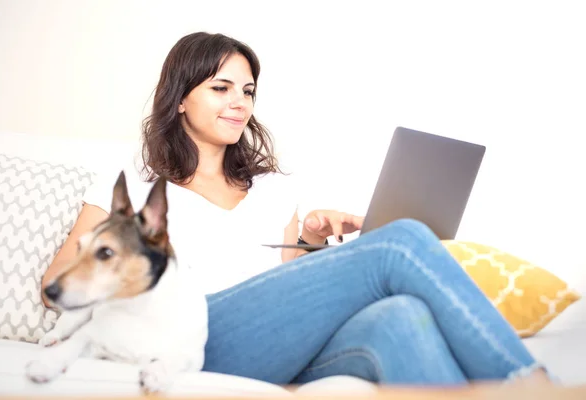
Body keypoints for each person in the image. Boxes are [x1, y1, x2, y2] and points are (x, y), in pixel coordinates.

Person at [42, 31, 553, 387]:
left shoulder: (272, 189)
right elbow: (56, 285)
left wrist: (311, 242)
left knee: (402, 315)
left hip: (268, 346)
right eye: (220, 88)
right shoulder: (137, 182)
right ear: (180, 99)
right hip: (189, 330)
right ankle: (528, 383)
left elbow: (284, 298)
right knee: (401, 241)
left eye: (248, 91)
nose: (239, 102)